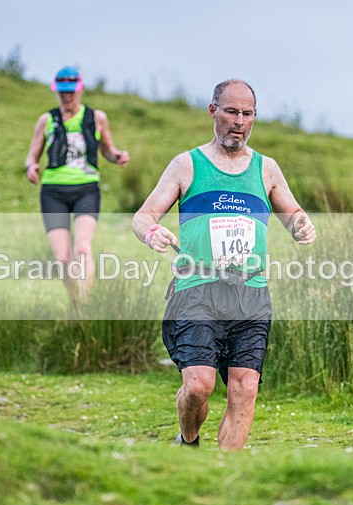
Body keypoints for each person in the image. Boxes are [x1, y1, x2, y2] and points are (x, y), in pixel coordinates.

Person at [132, 79, 316, 450]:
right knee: (199, 387)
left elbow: (292, 213)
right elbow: (143, 216)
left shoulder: (267, 169)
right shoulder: (188, 164)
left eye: (247, 114)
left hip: (250, 293)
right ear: (213, 111)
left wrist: (301, 225)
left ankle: (222, 475)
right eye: (231, 111)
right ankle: (188, 440)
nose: (239, 121)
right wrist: (152, 232)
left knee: (245, 388)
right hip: (197, 290)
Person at [25, 66, 130, 304]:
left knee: (82, 248)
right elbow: (32, 156)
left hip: (86, 188)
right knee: (62, 258)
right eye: (62, 92)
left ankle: (86, 303)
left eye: (71, 91)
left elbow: (107, 150)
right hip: (53, 192)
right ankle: (75, 302)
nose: (67, 96)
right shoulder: (46, 120)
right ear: (56, 91)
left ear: (80, 89)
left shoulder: (97, 118)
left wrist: (118, 156)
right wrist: (31, 167)